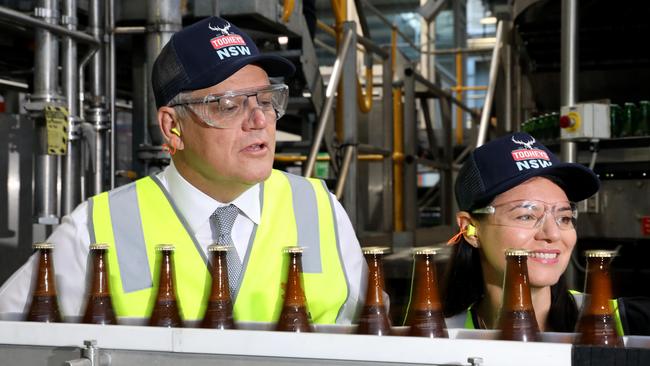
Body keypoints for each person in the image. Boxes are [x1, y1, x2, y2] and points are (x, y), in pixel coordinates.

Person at [0, 16, 367, 325]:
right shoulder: (98, 227)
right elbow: (12, 337)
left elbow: (374, 339)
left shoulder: (320, 210)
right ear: (172, 128)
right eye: (228, 106)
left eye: (267, 100)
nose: (259, 120)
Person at [443, 132, 649, 334]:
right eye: (526, 216)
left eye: (564, 218)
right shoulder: (438, 338)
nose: (553, 234)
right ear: (470, 229)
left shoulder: (627, 324)